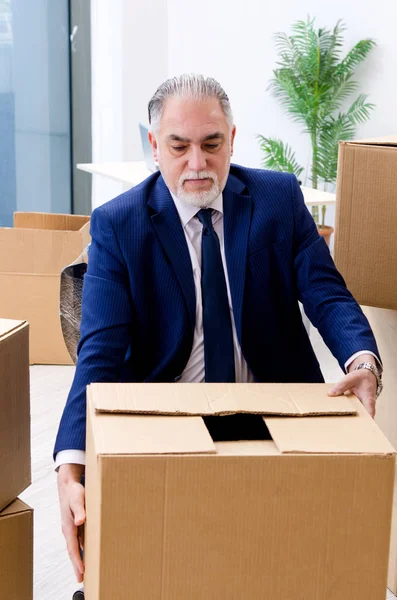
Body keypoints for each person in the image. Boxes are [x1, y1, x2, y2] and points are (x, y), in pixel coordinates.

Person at [55, 74, 382, 583]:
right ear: (154, 146)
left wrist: (362, 360)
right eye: (178, 146)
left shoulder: (276, 198)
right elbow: (98, 351)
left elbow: (327, 293)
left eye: (211, 144)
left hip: (276, 413)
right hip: (170, 421)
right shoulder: (120, 223)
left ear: (232, 138)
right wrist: (69, 466)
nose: (197, 164)